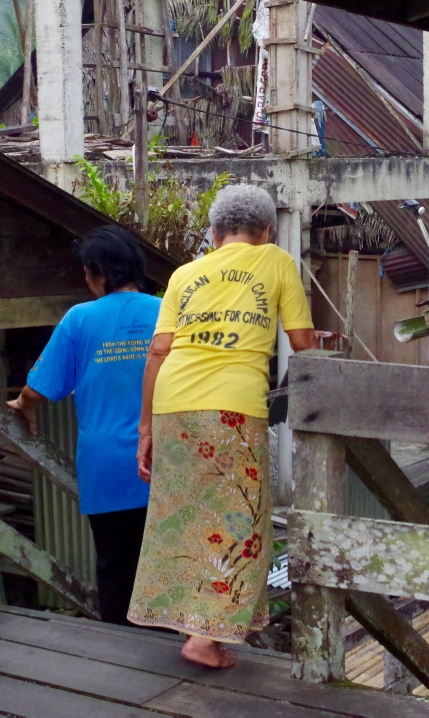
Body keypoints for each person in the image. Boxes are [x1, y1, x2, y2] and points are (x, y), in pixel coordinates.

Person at [128, 184, 318, 669]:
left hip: (173, 404)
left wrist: (146, 430)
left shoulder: (184, 275)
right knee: (243, 525)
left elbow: (157, 352)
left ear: (214, 234)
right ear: (267, 232)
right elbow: (303, 342)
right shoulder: (276, 261)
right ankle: (203, 638)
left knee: (186, 517)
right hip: (232, 408)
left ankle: (192, 626)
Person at [8, 225, 161, 624]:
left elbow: (40, 387)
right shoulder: (165, 311)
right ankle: (166, 666)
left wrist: (24, 403)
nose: (85, 278)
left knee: (115, 569)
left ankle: (119, 668)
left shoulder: (80, 319)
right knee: (164, 568)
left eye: (87, 270)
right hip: (164, 460)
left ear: (101, 273)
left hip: (106, 465)